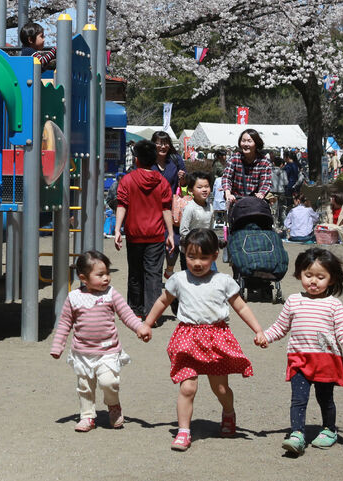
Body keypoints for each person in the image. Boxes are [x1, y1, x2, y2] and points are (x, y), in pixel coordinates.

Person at [144, 228, 267, 452]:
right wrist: (147, 323)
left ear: (214, 257)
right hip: (187, 338)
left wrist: (258, 330)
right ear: (184, 254)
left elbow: (240, 306)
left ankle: (228, 413)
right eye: (191, 257)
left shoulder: (223, 281)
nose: (197, 263)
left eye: (203, 257)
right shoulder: (179, 279)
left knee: (220, 388)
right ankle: (183, 431)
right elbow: (162, 301)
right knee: (188, 388)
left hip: (216, 339)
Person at [257, 247, 343, 455]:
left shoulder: (333, 305)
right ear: (299, 275)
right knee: (298, 399)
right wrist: (266, 336)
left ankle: (329, 430)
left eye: (320, 277)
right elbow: (281, 326)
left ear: (331, 279)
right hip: (299, 359)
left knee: (325, 398)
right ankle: (297, 434)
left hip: (325, 361)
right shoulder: (294, 301)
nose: (313, 281)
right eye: (308, 275)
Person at [49, 250, 152, 432]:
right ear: (83, 278)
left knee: (108, 381)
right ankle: (87, 416)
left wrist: (140, 327)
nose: (106, 278)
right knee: (85, 386)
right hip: (83, 352)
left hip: (108, 350)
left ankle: (114, 406)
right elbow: (65, 323)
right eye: (100, 274)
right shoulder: (74, 298)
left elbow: (126, 314)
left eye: (107, 273)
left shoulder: (110, 294)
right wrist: (58, 346)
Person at [114, 139, 173, 318]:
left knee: (135, 273)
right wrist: (170, 233)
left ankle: (135, 312)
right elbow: (166, 208)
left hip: (134, 233)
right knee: (153, 275)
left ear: (137, 160)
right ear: (154, 160)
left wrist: (117, 229)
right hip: (155, 235)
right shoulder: (162, 182)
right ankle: (152, 314)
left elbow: (122, 204)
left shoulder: (127, 180)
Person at [222, 128, 272, 205]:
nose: (245, 144)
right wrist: (228, 193)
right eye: (243, 141)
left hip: (255, 203)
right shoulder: (234, 158)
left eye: (249, 141)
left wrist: (261, 193)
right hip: (236, 202)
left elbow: (265, 182)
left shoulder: (264, 162)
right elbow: (226, 178)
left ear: (256, 143)